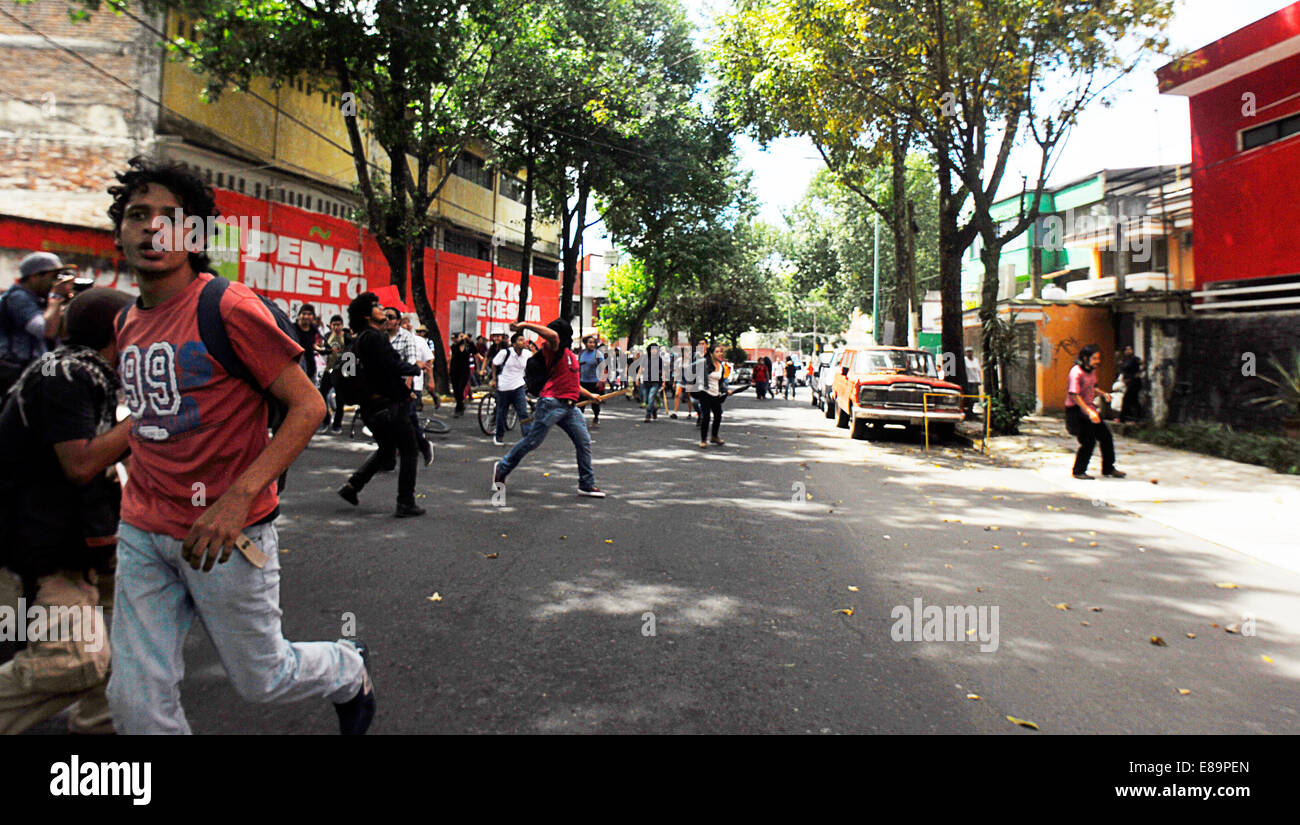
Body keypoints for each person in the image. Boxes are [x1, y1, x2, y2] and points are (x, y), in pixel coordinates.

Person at [104, 157, 372, 734]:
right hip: (144, 531)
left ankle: (348, 668)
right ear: (119, 231)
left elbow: (309, 407)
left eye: (172, 219)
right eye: (138, 215)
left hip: (229, 535)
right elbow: (151, 422)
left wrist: (235, 498)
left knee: (263, 677)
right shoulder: (126, 322)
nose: (153, 229)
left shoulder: (227, 306)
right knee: (133, 701)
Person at [0, 287, 133, 735]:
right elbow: (79, 464)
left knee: (132, 631)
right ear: (120, 330)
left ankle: (100, 725)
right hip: (36, 550)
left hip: (66, 543)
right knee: (74, 662)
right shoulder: (71, 373)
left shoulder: (87, 372)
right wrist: (149, 417)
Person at [491, 318, 605, 498]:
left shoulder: (569, 355)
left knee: (583, 442)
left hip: (570, 407)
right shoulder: (553, 349)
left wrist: (591, 396)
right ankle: (502, 468)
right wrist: (524, 326)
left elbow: (573, 383)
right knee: (532, 441)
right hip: (551, 403)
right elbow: (552, 335)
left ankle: (586, 484)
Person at [338, 294, 425, 516]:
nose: (382, 309)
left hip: (370, 409)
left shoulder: (358, 340)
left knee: (387, 450)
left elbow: (376, 373)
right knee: (410, 449)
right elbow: (391, 366)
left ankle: (352, 486)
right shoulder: (374, 338)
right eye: (376, 307)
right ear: (367, 315)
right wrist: (414, 368)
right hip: (387, 408)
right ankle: (405, 502)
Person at [0, 252, 75, 396]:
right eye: (54, 277)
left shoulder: (42, 300)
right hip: (16, 369)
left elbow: (61, 335)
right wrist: (56, 297)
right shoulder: (17, 298)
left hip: (43, 364)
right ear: (35, 276)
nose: (56, 283)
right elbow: (46, 330)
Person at [1065, 344, 1127, 481]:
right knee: (1088, 440)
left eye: (1098, 358)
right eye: (1094, 358)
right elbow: (1074, 395)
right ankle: (1079, 471)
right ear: (1085, 358)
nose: (1097, 361)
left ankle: (1108, 468)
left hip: (1089, 409)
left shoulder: (1092, 371)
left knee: (1106, 436)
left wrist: (1103, 394)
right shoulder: (1076, 372)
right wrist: (1088, 411)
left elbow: (1092, 388)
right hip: (1076, 411)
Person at [385, 308, 433, 466]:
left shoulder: (409, 339)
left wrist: (407, 387)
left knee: (407, 420)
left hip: (407, 386)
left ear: (398, 321)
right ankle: (390, 457)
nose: (387, 320)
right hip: (388, 386)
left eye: (390, 317)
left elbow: (412, 364)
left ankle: (423, 446)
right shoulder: (381, 337)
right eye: (385, 317)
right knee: (393, 420)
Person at [491, 331, 531, 446]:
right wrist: (494, 379)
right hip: (504, 386)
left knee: (523, 412)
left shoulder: (527, 354)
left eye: (523, 340)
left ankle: (527, 437)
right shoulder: (505, 353)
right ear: (513, 344)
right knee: (502, 412)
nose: (523, 342)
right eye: (520, 340)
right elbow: (494, 364)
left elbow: (536, 361)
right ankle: (499, 436)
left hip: (518, 386)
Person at [689, 343, 731, 448]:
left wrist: (726, 390)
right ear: (711, 354)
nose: (720, 353)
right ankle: (703, 440)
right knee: (706, 417)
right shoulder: (704, 364)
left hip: (715, 393)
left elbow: (720, 382)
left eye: (721, 351)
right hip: (704, 393)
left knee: (718, 415)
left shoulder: (721, 366)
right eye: (717, 351)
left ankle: (714, 436)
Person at [319, 314, 352, 432]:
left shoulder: (348, 337)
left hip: (342, 372)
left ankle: (337, 424)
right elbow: (324, 352)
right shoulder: (327, 336)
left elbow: (351, 354)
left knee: (340, 400)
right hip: (329, 370)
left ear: (342, 326)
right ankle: (325, 420)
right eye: (334, 325)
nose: (336, 327)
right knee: (322, 395)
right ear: (330, 326)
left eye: (338, 325)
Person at [578, 335, 606, 428]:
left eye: (593, 342)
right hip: (583, 381)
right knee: (580, 402)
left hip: (594, 381)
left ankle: (596, 417)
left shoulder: (598, 354)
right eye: (590, 342)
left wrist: (600, 380)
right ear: (586, 343)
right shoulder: (581, 354)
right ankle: (580, 419)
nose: (592, 344)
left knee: (595, 402)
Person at [292, 304, 322, 385]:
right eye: (304, 313)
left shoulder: (314, 331)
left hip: (310, 371)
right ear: (299, 315)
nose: (306, 316)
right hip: (295, 370)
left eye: (309, 314)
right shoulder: (292, 329)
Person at [636, 343, 666, 422]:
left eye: (656, 349)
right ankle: (654, 410)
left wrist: (664, 381)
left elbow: (663, 370)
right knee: (646, 400)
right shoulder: (645, 358)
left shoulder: (659, 359)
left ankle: (648, 415)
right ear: (649, 350)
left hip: (655, 382)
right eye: (653, 349)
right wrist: (637, 378)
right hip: (646, 381)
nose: (654, 350)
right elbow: (641, 369)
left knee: (651, 398)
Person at [449, 333, 476, 417]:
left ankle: (458, 407)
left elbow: (475, 351)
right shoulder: (454, 346)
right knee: (456, 390)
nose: (461, 338)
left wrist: (469, 340)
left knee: (461, 389)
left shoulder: (468, 347)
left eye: (462, 336)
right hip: (455, 371)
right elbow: (452, 356)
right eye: (459, 337)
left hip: (464, 371)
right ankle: (460, 405)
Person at [1118, 346, 1144, 423]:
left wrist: (1138, 373)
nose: (1129, 351)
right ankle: (1137, 418)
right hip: (1128, 382)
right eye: (1127, 350)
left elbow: (1143, 364)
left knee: (1127, 399)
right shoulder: (1125, 360)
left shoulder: (1135, 359)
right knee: (1134, 401)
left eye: (1130, 349)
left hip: (1134, 382)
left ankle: (1122, 418)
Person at [963, 346, 982, 419]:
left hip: (975, 381)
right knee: (969, 397)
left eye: (970, 352)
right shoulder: (965, 360)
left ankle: (972, 411)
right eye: (967, 352)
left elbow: (978, 371)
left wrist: (979, 380)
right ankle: (968, 411)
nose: (969, 353)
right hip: (969, 381)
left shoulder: (976, 360)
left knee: (975, 398)